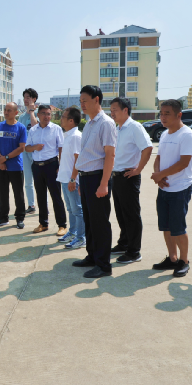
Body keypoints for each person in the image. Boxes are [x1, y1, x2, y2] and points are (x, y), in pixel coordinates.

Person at [71, 85, 117, 278]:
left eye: (85, 101)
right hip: (86, 177)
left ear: (96, 100)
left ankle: (104, 265)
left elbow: (110, 155)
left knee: (100, 222)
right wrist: (80, 180)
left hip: (98, 177)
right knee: (90, 221)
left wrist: (104, 183)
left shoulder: (106, 123)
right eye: (80, 101)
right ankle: (92, 256)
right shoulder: (89, 123)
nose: (82, 104)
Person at [150, 99, 192, 278]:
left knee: (178, 227)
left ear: (179, 115)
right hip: (164, 188)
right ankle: (172, 258)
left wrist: (160, 175)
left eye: (167, 114)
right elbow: (158, 158)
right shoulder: (164, 134)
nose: (163, 117)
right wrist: (158, 176)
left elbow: (183, 163)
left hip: (180, 188)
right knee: (166, 226)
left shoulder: (187, 135)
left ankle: (184, 261)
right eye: (161, 114)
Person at [109, 97, 153, 264]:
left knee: (131, 214)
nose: (112, 113)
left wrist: (138, 169)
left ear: (125, 110)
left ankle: (134, 251)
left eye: (115, 110)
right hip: (116, 176)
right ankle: (124, 243)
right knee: (121, 213)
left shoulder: (135, 127)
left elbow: (147, 148)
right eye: (111, 110)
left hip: (128, 177)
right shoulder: (118, 129)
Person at [25, 105, 66, 236]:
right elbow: (27, 148)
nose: (47, 116)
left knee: (56, 196)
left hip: (51, 165)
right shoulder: (33, 130)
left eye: (49, 114)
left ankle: (62, 225)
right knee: (41, 196)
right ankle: (43, 223)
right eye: (44, 113)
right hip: (37, 166)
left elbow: (61, 148)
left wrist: (60, 166)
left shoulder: (56, 129)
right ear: (38, 115)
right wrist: (35, 147)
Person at [0, 102, 27, 229]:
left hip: (15, 167)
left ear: (16, 113)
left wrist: (5, 158)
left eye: (9, 110)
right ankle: (3, 217)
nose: (6, 112)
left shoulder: (21, 128)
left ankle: (20, 218)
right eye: (5, 110)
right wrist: (0, 161)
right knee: (3, 193)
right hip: (1, 166)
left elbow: (21, 148)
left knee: (18, 194)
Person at [56, 107, 85, 249]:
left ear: (71, 121)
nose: (61, 119)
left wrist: (73, 179)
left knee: (77, 210)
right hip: (64, 178)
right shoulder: (67, 135)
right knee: (71, 209)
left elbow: (78, 159)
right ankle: (73, 233)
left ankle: (81, 237)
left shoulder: (76, 136)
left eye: (63, 117)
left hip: (72, 180)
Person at [17, 88, 39, 214]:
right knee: (28, 180)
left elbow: (35, 127)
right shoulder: (21, 117)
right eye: (24, 97)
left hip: (37, 151)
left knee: (40, 181)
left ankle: (44, 205)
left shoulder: (39, 113)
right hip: (24, 152)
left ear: (34, 99)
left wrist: (31, 112)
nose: (25, 100)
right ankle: (31, 205)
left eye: (28, 97)